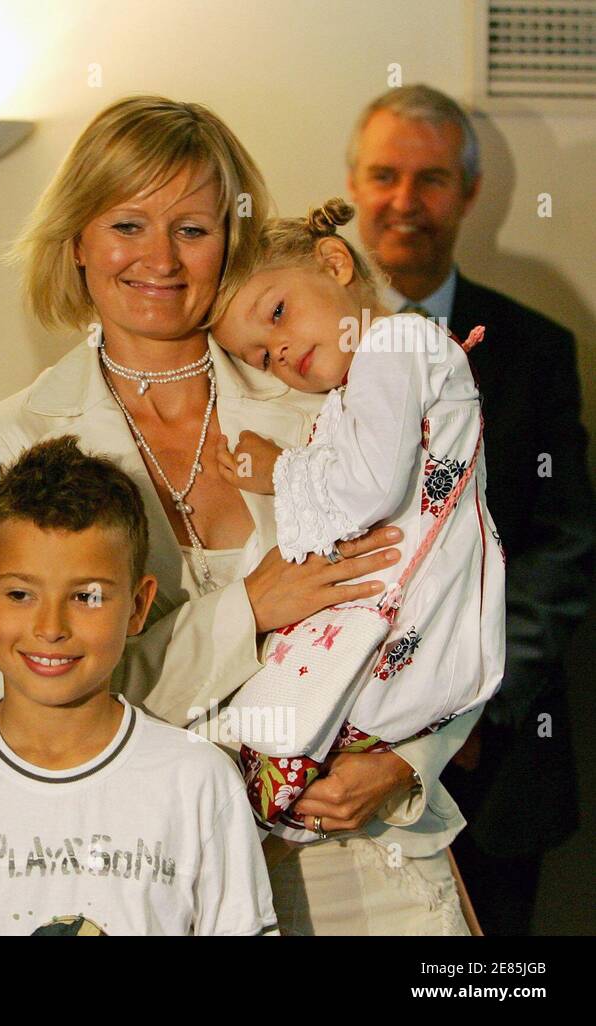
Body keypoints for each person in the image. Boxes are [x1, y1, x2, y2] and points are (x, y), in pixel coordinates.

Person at [0, 95, 480, 934]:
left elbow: (447, 581)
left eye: (193, 230)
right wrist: (248, 610)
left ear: (231, 239)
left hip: (366, 858)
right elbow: (47, 691)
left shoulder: (325, 381)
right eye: (128, 225)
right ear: (79, 242)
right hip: (163, 872)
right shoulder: (11, 438)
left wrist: (404, 762)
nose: (160, 260)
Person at [345, 85, 595, 934]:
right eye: (384, 176)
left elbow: (564, 548)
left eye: (432, 179)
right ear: (352, 182)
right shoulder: (300, 341)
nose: (404, 202)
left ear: (469, 193)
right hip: (330, 761)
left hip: (497, 764)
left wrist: (473, 704)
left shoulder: (537, 350)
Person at [0, 437, 277, 935]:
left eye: (87, 596)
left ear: (138, 605)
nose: (50, 626)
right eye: (19, 593)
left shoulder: (199, 782)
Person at [211, 199, 505, 851]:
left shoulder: (393, 346)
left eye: (278, 314)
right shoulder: (370, 370)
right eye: (262, 356)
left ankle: (273, 784)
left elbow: (369, 488)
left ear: (334, 261)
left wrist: (280, 468)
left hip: (419, 587)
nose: (281, 351)